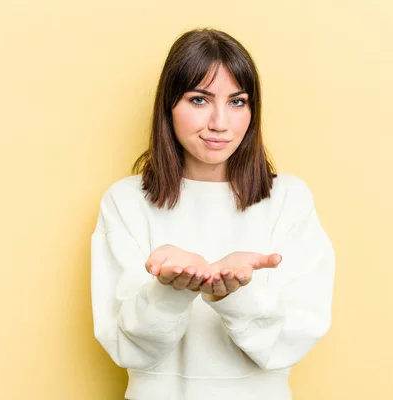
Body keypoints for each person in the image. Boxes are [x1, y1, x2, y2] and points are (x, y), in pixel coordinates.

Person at [91, 27, 336, 400]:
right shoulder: (126, 201)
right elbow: (125, 345)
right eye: (199, 100)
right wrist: (170, 290)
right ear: (169, 106)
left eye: (237, 101)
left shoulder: (288, 198)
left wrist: (235, 294)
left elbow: (296, 334)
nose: (219, 122)